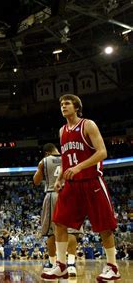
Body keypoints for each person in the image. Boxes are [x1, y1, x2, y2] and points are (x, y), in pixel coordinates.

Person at [41, 94, 120, 281]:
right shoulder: (62, 131)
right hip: (72, 184)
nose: (63, 106)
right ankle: (61, 265)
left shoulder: (88, 125)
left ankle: (113, 267)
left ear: (77, 107)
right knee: (59, 222)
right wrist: (60, 177)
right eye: (61, 104)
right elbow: (67, 158)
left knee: (105, 226)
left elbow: (102, 152)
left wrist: (79, 167)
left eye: (67, 103)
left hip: (92, 181)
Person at [33, 143, 81, 277]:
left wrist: (41, 168)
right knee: (71, 230)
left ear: (46, 153)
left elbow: (36, 181)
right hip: (71, 193)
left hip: (52, 194)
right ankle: (71, 265)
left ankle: (54, 264)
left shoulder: (44, 161)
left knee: (51, 232)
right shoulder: (69, 157)